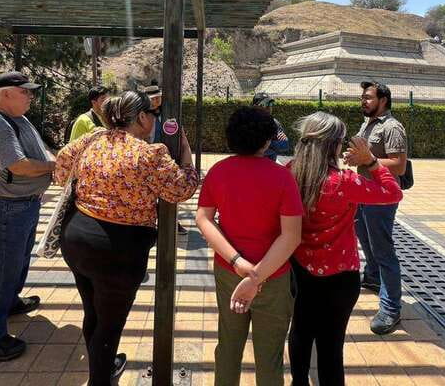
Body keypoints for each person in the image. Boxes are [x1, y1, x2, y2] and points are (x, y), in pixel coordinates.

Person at [55, 91, 199, 386]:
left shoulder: (92, 139)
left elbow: (59, 170)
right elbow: (181, 189)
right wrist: (185, 152)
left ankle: (101, 367)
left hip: (77, 237)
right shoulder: (149, 153)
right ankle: (100, 378)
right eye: (152, 115)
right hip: (117, 251)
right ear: (143, 118)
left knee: (93, 311)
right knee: (110, 324)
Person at [288, 112, 403, 386]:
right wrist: (372, 162)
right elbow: (392, 192)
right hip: (341, 276)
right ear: (335, 145)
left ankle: (299, 381)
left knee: (301, 330)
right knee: (331, 343)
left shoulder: (288, 174)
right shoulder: (345, 182)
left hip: (298, 270)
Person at [196, 106, 303, 386]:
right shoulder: (282, 177)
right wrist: (258, 276)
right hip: (274, 277)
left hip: (230, 273)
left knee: (228, 346)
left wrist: (238, 264)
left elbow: (204, 219)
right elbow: (291, 236)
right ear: (267, 141)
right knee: (269, 355)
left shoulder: (219, 172)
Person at [0, 71, 56, 361]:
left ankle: (9, 303)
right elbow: (18, 165)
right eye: (25, 92)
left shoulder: (16, 119)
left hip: (22, 204)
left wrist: (52, 161)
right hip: (7, 207)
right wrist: (53, 169)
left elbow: (38, 149)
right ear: (6, 93)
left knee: (18, 261)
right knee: (3, 271)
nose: (31, 97)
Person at [346, 81, 408, 335]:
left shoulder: (393, 127)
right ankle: (372, 277)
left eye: (369, 98)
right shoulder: (369, 124)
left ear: (383, 100)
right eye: (363, 97)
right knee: (366, 241)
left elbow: (399, 165)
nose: (364, 101)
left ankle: (391, 308)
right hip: (364, 192)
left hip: (382, 197)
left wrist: (368, 160)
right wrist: (355, 158)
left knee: (383, 250)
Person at [142, 81, 188, 235]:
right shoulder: (142, 116)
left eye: (157, 98)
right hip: (148, 157)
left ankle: (173, 222)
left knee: (169, 190)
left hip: (166, 157)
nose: (155, 101)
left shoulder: (168, 113)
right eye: (152, 99)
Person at [251, 93, 290, 162]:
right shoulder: (246, 122)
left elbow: (285, 145)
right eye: (265, 104)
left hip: (269, 168)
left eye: (271, 104)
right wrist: (273, 145)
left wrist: (264, 144)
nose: (269, 107)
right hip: (248, 166)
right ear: (255, 106)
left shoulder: (274, 123)